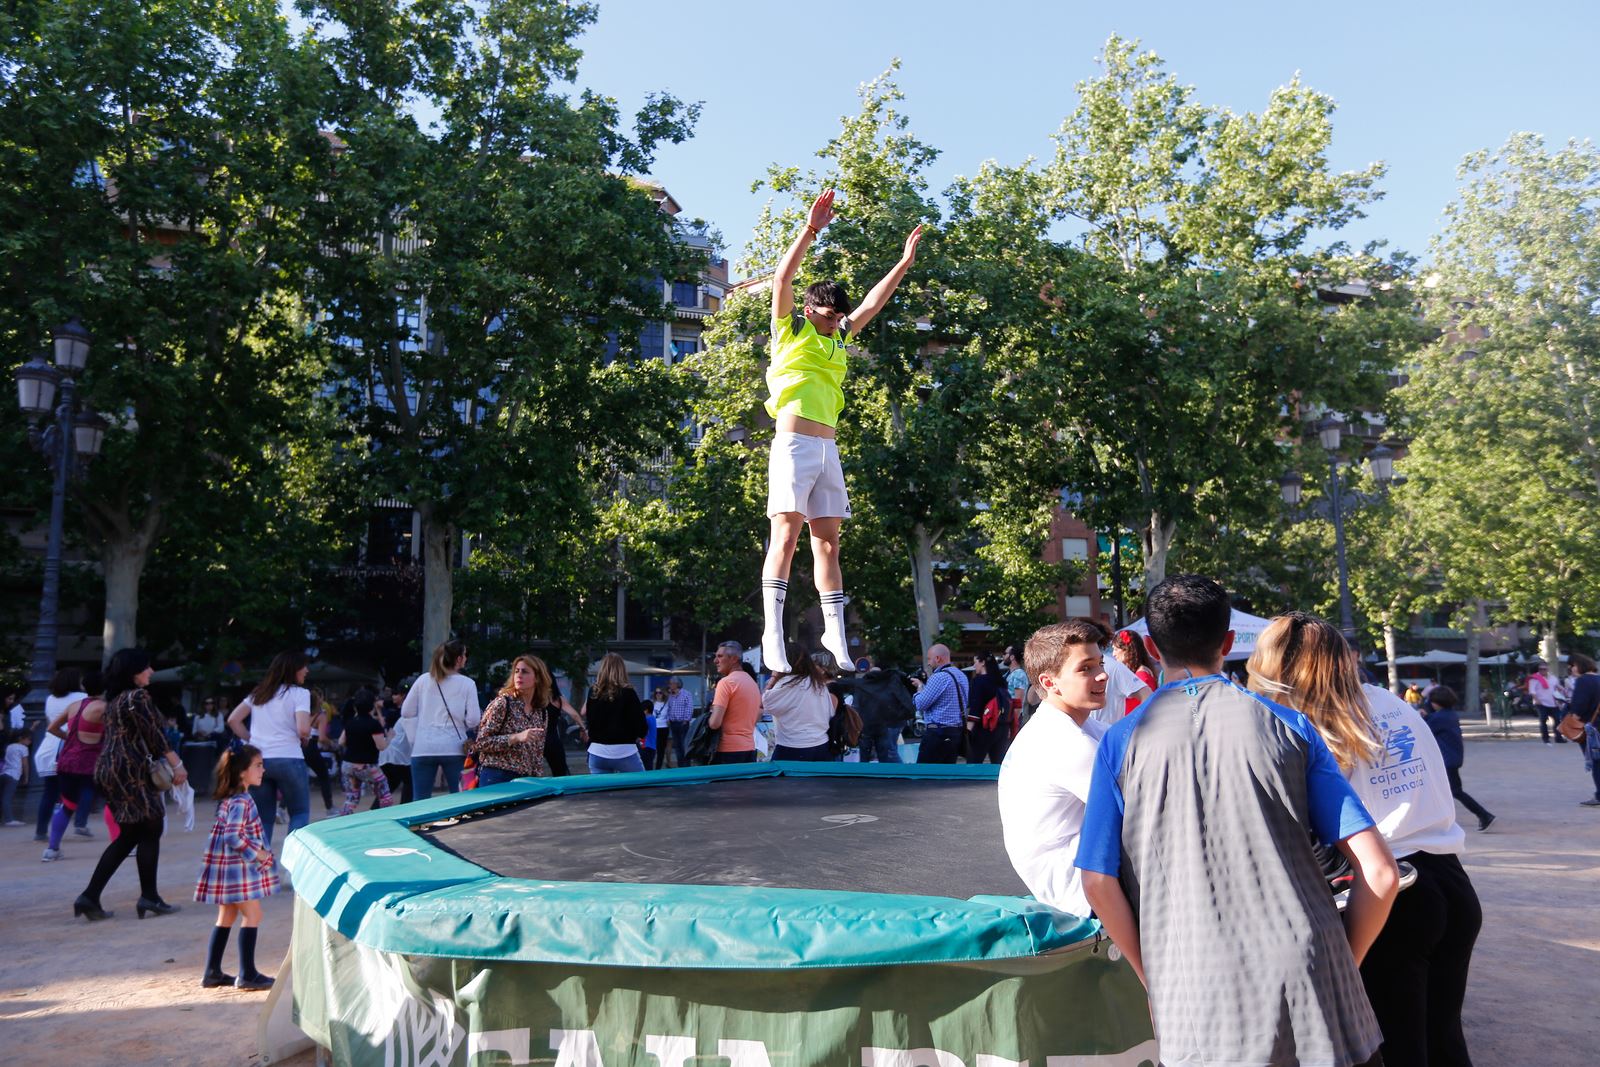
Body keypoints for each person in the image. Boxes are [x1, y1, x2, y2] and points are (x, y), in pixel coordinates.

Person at [1077, 575, 1399, 1067]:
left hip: (1197, 996)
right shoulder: (1290, 725)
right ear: (1228, 643)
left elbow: (1098, 881)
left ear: (1148, 645)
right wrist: (1341, 964)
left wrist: (1152, 975)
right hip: (1315, 992)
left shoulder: (1119, 743)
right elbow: (1380, 873)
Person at [1248, 612, 1484, 1067]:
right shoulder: (1390, 702)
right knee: (1444, 1040)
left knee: (1395, 1047)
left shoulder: (1305, 724)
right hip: (1451, 883)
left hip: (1389, 893)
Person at [759, 188, 923, 673]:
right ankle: (772, 629)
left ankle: (834, 629)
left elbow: (873, 303)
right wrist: (811, 230)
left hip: (829, 449)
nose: (836, 325)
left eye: (838, 319)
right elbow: (783, 277)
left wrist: (903, 263)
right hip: (792, 444)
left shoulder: (837, 338)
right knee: (785, 536)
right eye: (828, 317)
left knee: (827, 542)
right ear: (811, 311)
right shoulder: (791, 329)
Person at [997, 618, 1112, 916]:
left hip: (1077, 873)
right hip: (1076, 888)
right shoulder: (1063, 741)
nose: (1102, 676)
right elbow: (1145, 811)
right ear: (1050, 683)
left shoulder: (1083, 728)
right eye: (1085, 668)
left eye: (1100, 664)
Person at [76, 648, 190, 921]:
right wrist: (177, 765)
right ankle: (148, 897)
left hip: (110, 768)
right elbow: (156, 737)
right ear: (133, 672)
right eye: (146, 667)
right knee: (151, 828)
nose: (151, 672)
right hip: (131, 769)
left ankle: (90, 896)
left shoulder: (115, 699)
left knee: (130, 834)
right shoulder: (137, 697)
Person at [195, 744, 278, 990]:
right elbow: (233, 836)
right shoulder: (242, 800)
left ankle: (212, 972)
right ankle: (248, 974)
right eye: (258, 765)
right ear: (242, 772)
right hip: (236, 869)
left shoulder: (231, 797)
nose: (263, 770)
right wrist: (259, 853)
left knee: (227, 915)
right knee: (253, 915)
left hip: (226, 868)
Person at [227, 651, 312, 846]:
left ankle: (261, 869)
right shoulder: (300, 694)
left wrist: (253, 739)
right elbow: (303, 729)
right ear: (293, 669)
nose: (306, 671)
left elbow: (233, 720)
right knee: (299, 812)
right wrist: (304, 736)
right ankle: (293, 867)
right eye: (303, 667)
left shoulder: (259, 693)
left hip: (258, 760)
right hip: (289, 757)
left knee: (263, 818)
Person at [401, 640, 481, 800]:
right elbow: (473, 720)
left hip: (423, 747)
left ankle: (421, 824)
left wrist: (418, 733)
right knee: (461, 797)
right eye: (465, 655)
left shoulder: (423, 680)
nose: (466, 658)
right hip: (454, 748)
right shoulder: (468, 684)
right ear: (458, 659)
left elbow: (406, 711)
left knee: (420, 800)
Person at [43, 671, 104, 860]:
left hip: (66, 761)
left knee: (67, 804)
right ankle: (126, 846)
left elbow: (51, 727)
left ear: (84, 687)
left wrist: (70, 738)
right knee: (113, 802)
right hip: (90, 762)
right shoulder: (104, 707)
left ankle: (52, 849)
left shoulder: (74, 706)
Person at [1421, 684, 1496, 832]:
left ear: (1436, 703)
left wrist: (1424, 715)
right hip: (1452, 758)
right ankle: (1481, 815)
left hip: (1447, 760)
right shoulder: (1449, 714)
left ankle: (1483, 814)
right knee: (1443, 790)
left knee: (1455, 791)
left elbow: (1424, 728)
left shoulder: (1439, 718)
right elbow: (1432, 720)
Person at [474, 655, 551, 786]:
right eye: (517, 671)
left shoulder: (541, 712)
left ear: (537, 678)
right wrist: (515, 738)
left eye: (525, 672)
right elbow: (481, 743)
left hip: (526, 780)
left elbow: (538, 752)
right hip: (497, 775)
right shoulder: (503, 703)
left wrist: (537, 780)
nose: (519, 675)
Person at [35, 667, 89, 840]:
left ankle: (41, 831)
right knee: (85, 786)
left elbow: (51, 723)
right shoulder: (82, 698)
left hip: (48, 748)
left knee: (49, 792)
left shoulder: (50, 699)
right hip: (68, 749)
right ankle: (80, 823)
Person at [831, 660, 914, 764]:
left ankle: (865, 776)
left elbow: (856, 703)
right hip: (883, 726)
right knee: (886, 755)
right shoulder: (888, 685)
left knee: (865, 757)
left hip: (866, 727)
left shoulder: (862, 685)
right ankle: (889, 775)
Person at [763, 647, 838, 761]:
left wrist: (773, 679)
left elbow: (766, 704)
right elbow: (830, 712)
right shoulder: (818, 684)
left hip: (792, 747)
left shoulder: (786, 684)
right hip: (821, 744)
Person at [580, 654, 648, 774]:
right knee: (640, 788)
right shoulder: (628, 693)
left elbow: (589, 717)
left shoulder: (593, 692)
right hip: (624, 751)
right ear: (622, 670)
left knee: (601, 791)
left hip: (597, 751)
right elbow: (641, 725)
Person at [910, 643, 968, 764]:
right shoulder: (961, 675)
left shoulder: (938, 677)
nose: (928, 663)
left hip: (937, 734)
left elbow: (920, 704)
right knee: (946, 775)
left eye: (929, 659)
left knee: (924, 774)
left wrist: (920, 688)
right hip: (956, 733)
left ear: (937, 658)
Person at [335, 694, 392, 815]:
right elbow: (381, 746)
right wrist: (389, 738)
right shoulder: (373, 724)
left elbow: (341, 741)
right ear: (371, 708)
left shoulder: (350, 723)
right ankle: (386, 819)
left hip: (348, 765)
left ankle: (343, 820)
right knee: (384, 795)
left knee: (351, 798)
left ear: (355, 708)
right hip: (368, 766)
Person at [708, 641, 762, 765]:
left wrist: (709, 716)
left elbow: (714, 723)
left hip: (728, 750)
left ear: (734, 659)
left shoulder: (726, 683)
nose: (716, 660)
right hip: (749, 748)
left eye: (720, 656)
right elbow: (757, 716)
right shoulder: (753, 684)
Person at [1564, 653, 1600, 806]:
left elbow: (1578, 707)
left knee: (1597, 762)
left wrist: (1571, 719)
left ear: (1578, 665)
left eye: (1571, 666)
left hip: (1591, 729)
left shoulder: (1583, 681)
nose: (1571, 669)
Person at [965, 653, 1011, 764]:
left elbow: (976, 707)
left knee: (974, 763)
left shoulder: (979, 681)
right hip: (1002, 727)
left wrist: (968, 730)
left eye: (975, 662)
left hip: (984, 728)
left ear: (983, 663)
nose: (974, 665)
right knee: (998, 765)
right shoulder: (1001, 681)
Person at [1110, 630, 1157, 714]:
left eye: (1116, 649)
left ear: (1127, 650)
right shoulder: (1138, 672)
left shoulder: (1142, 675)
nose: (1113, 654)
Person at [662, 678, 694, 768]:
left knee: (684, 745)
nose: (670, 685)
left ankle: (686, 766)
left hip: (682, 723)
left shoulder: (686, 694)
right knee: (677, 747)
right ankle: (681, 766)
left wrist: (686, 720)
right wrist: (668, 719)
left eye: (671, 684)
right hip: (673, 723)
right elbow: (668, 708)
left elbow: (689, 708)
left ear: (677, 684)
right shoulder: (670, 696)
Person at [1528, 662, 1563, 744]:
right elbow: (1532, 691)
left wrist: (1563, 691)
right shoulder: (1535, 678)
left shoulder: (1553, 678)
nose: (1542, 671)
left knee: (1558, 720)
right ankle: (1545, 738)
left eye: (1544, 669)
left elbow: (1557, 686)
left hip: (1553, 703)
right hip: (1541, 703)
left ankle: (1558, 737)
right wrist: (1536, 700)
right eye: (1540, 669)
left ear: (1547, 669)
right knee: (1543, 720)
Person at [0, 727, 28, 825]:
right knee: (7, 798)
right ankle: (9, 820)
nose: (30, 740)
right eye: (28, 738)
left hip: (4, 773)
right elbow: (25, 764)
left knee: (2, 797)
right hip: (14, 775)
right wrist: (26, 777)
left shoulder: (9, 746)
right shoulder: (24, 748)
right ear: (21, 738)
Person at [1002, 646, 1030, 725]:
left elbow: (1018, 701)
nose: (1003, 656)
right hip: (1007, 716)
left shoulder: (1019, 674)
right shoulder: (1008, 674)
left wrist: (1013, 723)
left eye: (1005, 654)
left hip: (1012, 717)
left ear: (1012, 657)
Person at [648, 687, 669, 769]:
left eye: (660, 692)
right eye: (656, 693)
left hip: (663, 728)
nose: (658, 694)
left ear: (663, 694)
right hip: (654, 728)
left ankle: (658, 767)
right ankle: (649, 767)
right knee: (652, 748)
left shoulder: (667, 704)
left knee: (661, 749)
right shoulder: (652, 703)